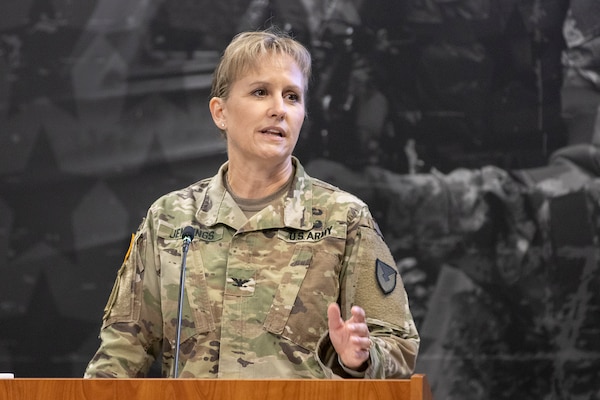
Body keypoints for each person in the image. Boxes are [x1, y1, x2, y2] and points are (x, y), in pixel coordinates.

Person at [84, 28, 419, 379]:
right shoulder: (169, 219)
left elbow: (399, 346)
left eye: (292, 96)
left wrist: (360, 359)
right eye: (261, 92)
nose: (279, 109)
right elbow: (120, 355)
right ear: (220, 112)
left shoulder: (345, 219)